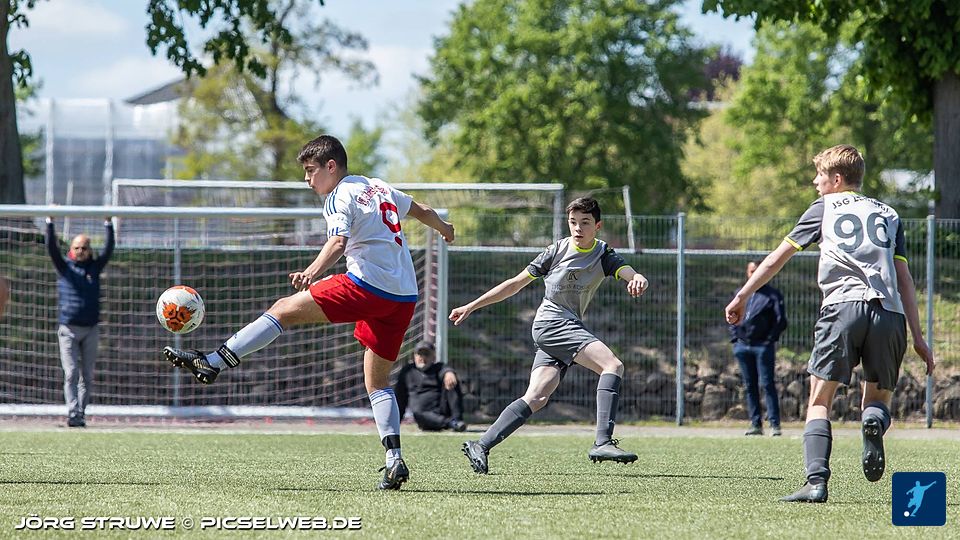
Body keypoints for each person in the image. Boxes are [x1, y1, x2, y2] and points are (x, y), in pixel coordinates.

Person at [162, 135, 454, 491]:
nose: (307, 179)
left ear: (331, 166)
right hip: (404, 296)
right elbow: (422, 210)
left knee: (283, 309)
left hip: (368, 286)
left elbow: (338, 242)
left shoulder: (339, 195)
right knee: (377, 382)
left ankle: (213, 362)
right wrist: (445, 229)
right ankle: (394, 459)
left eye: (311, 170)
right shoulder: (377, 186)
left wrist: (312, 271)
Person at [724, 144, 935, 503]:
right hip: (889, 313)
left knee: (819, 399)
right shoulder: (889, 213)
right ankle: (872, 420)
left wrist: (742, 295)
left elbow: (776, 259)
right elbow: (905, 279)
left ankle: (816, 481)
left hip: (842, 309)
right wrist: (918, 337)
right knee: (878, 399)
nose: (815, 182)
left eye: (819, 175)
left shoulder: (824, 207)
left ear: (836, 179)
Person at [452, 197, 648, 474]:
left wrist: (637, 277)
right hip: (552, 324)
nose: (578, 228)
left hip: (562, 327)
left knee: (536, 397)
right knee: (612, 365)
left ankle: (480, 445)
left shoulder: (603, 253)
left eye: (585, 222)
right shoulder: (555, 251)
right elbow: (514, 284)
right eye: (573, 222)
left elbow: (625, 271)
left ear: (598, 226)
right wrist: (471, 306)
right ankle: (602, 441)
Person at [46, 216, 115, 428]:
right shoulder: (64, 267)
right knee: (71, 373)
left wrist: (108, 224)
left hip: (90, 329)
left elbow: (109, 249)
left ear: (89, 250)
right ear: (71, 249)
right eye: (76, 247)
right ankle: (73, 412)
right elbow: (51, 248)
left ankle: (81, 413)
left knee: (87, 375)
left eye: (84, 248)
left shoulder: (94, 268)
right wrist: (50, 222)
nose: (80, 251)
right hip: (68, 329)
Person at [728, 260, 787, 436]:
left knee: (767, 384)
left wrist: (769, 340)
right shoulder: (740, 294)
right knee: (749, 385)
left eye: (757, 270)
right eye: (751, 271)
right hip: (742, 346)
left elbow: (780, 321)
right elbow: (731, 317)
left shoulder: (772, 295)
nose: (753, 274)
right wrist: (735, 338)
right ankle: (755, 424)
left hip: (763, 347)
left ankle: (775, 425)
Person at [393, 341, 467, 432]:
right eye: (420, 354)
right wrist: (395, 421)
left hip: (441, 409)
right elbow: (400, 398)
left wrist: (449, 373)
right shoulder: (407, 372)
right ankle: (451, 423)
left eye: (426, 354)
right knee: (418, 412)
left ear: (433, 356)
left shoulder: (438, 368)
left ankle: (457, 420)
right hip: (423, 416)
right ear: (414, 356)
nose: (423, 358)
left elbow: (445, 369)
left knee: (451, 380)